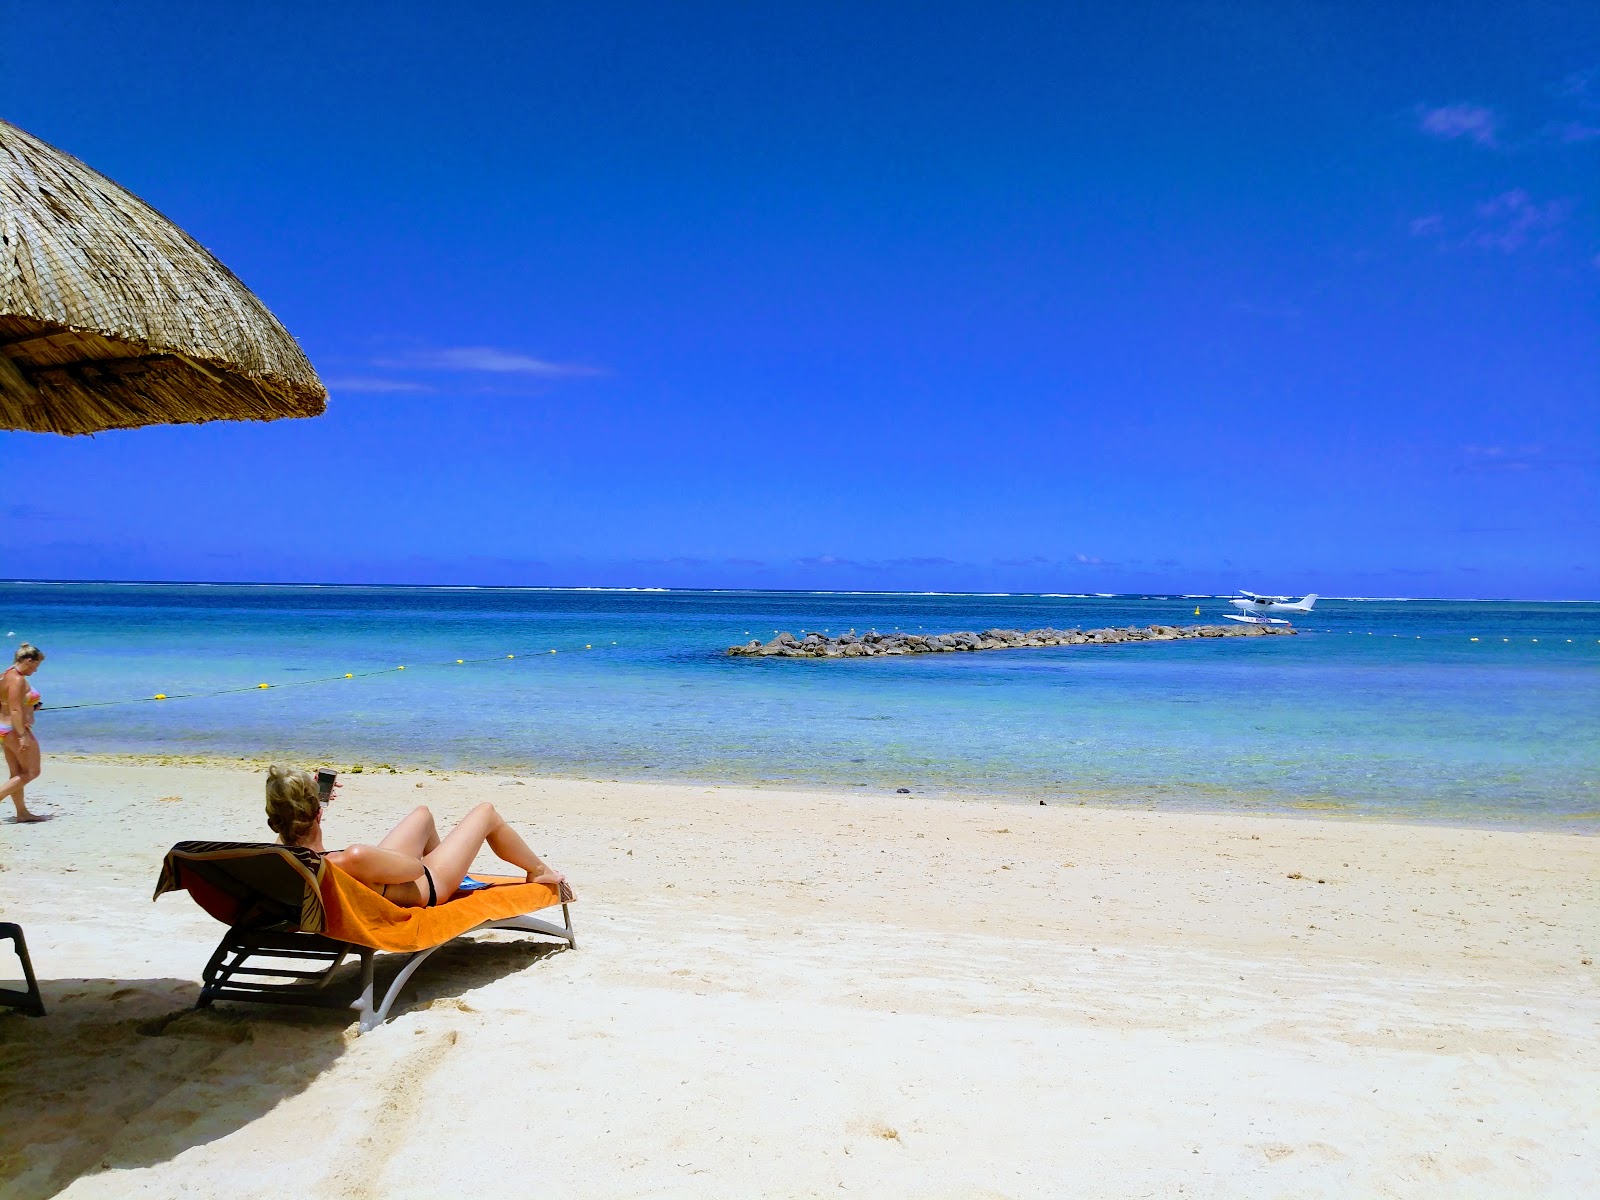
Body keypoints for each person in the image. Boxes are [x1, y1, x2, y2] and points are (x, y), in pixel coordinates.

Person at [263, 765, 567, 907]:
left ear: (275, 823)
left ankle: (457, 872)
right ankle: (538, 871)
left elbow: (291, 835)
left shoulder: (280, 860)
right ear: (317, 814)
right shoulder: (354, 858)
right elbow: (416, 868)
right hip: (428, 887)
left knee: (422, 814)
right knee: (486, 812)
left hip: (371, 881)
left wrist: (317, 803)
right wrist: (376, 859)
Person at [0, 644, 48, 823]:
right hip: (15, 730)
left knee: (17, 773)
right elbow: (14, 710)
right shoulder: (17, 679)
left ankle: (22, 813)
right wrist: (23, 736)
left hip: (3, 729)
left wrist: (31, 707)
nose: (36, 670)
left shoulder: (5, 674)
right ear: (29, 661)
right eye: (36, 665)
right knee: (32, 772)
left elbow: (7, 704)